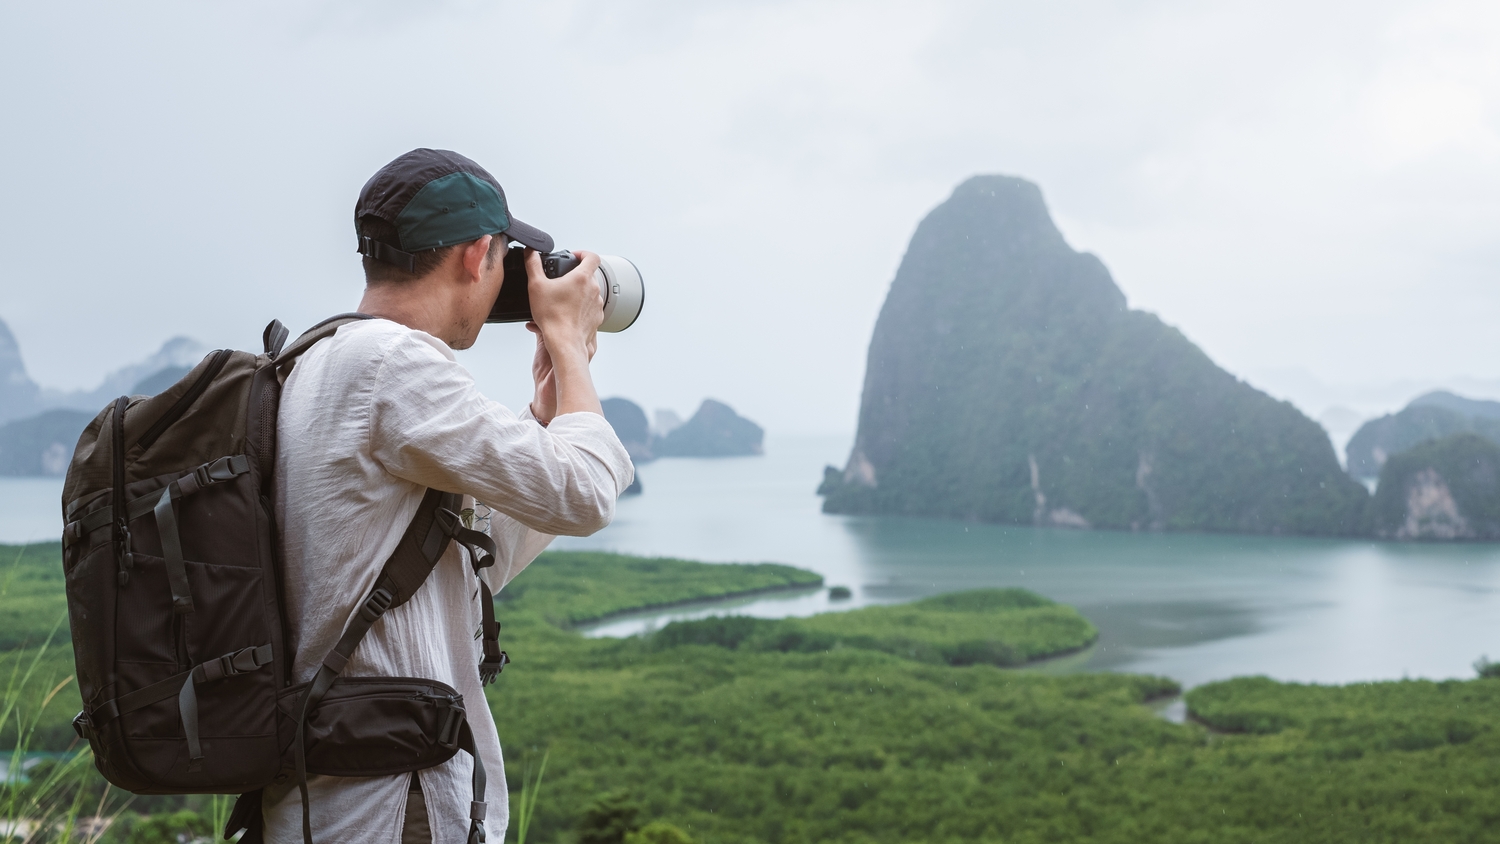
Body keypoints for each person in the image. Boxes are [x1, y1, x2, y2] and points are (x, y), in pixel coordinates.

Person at [260, 148, 633, 844]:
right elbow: (586, 494)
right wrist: (572, 345)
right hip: (389, 808)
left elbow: (464, 567)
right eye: (503, 260)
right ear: (473, 256)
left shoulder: (314, 363)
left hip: (330, 800)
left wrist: (549, 413)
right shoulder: (391, 366)